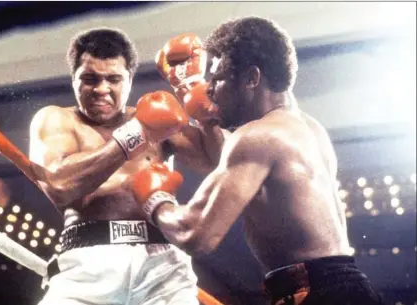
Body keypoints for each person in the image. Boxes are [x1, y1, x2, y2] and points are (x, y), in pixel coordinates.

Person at [131, 17, 385, 305]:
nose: (209, 89)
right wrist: (193, 98)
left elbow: (196, 234)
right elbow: (230, 173)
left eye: (217, 79)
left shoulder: (257, 137)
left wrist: (155, 200)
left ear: (252, 78)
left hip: (316, 294)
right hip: (344, 288)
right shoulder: (305, 128)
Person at [29, 27, 225, 305]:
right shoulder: (56, 120)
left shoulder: (157, 116)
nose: (101, 89)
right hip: (87, 263)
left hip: (162, 266)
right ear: (73, 79)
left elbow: (220, 163)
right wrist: (135, 136)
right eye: (89, 79)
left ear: (130, 80)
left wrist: (193, 92)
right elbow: (60, 184)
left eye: (113, 79)